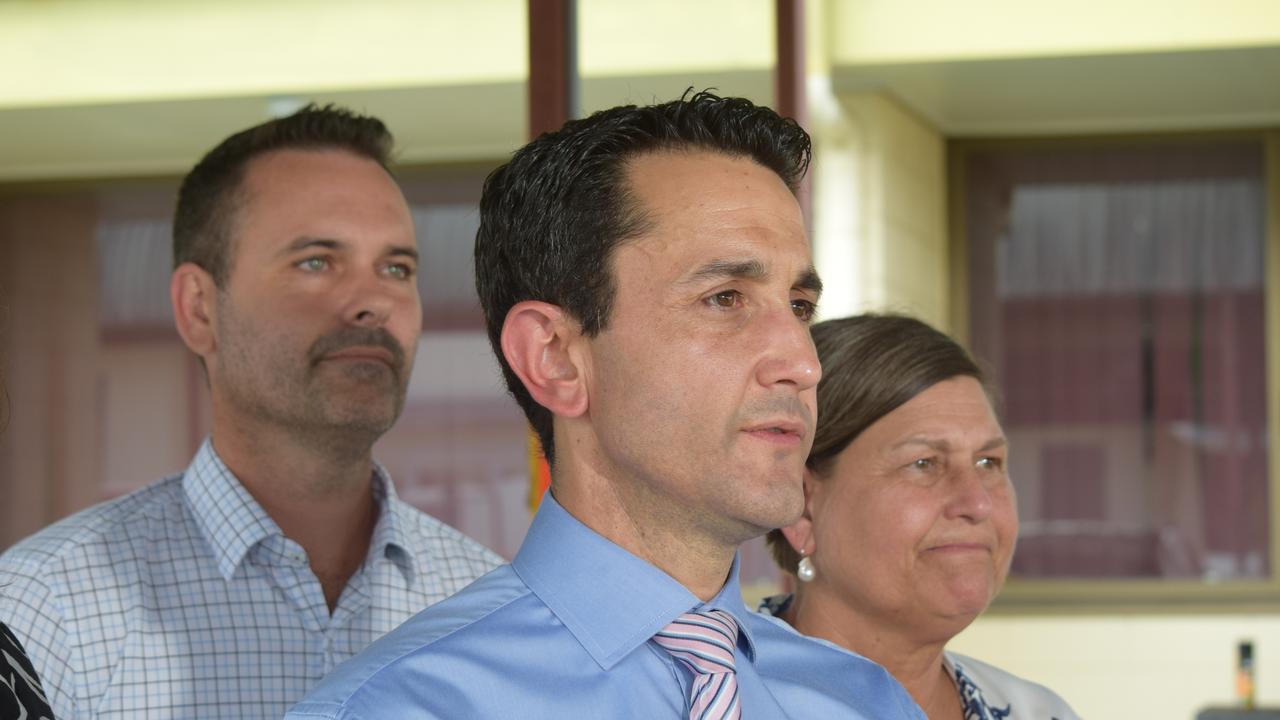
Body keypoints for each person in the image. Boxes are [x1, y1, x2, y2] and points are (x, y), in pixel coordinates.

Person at [287, 92, 925, 719]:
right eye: (725, 298)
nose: (804, 363)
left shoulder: (866, 703)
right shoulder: (400, 708)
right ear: (556, 357)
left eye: (800, 307)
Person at [0, 105, 503, 719]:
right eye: (316, 261)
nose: (374, 300)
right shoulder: (42, 613)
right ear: (199, 309)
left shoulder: (492, 610)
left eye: (396, 268)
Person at [763, 314, 1080, 719]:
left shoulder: (1037, 712)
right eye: (923, 463)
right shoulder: (713, 702)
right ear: (802, 507)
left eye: (988, 461)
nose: (977, 503)